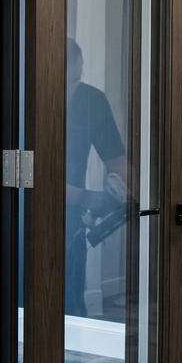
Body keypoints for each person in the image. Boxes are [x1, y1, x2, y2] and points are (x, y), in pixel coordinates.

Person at [65, 37, 127, 317]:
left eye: (74, 65)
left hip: (71, 216)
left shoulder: (91, 100)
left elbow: (116, 160)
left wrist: (127, 194)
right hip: (21, 208)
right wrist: (85, 197)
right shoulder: (24, 96)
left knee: (71, 292)